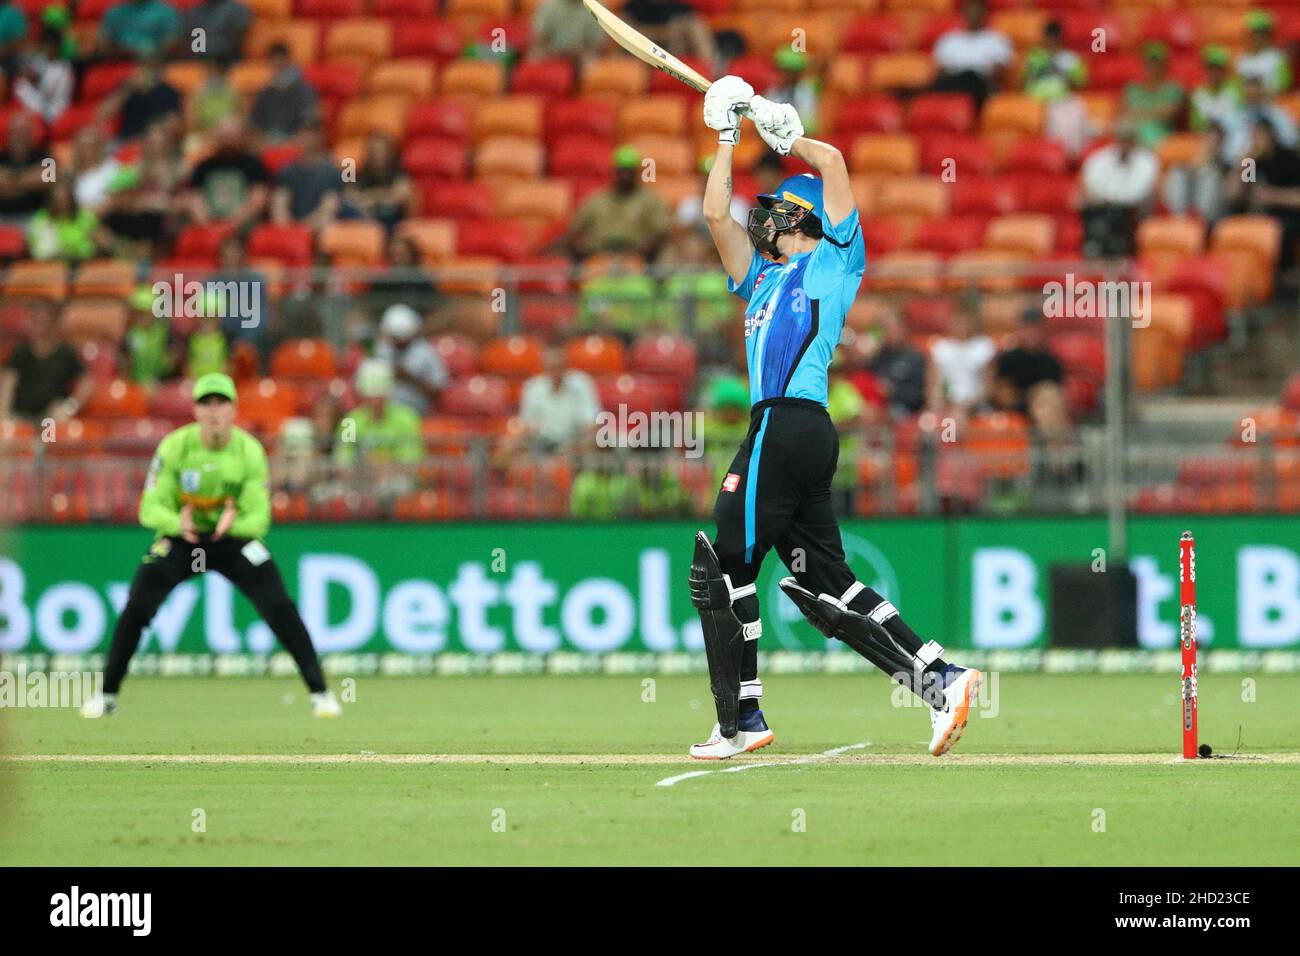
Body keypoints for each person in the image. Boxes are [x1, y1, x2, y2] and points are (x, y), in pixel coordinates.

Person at [688, 75, 982, 760]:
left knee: (726, 559)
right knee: (831, 579)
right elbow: (712, 214)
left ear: (803, 218)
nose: (761, 218)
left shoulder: (833, 262)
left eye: (776, 210)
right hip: (796, 431)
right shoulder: (761, 278)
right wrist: (726, 137)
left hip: (786, 423)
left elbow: (835, 166)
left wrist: (784, 130)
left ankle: (743, 718)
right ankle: (941, 677)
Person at [80, 373, 340, 719]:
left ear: (233, 409)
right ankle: (107, 695)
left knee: (280, 607)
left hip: (232, 542)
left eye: (221, 403)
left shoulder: (249, 450)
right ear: (195, 410)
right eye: (206, 403)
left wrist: (234, 525)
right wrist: (176, 524)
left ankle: (320, 694)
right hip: (183, 540)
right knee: (137, 608)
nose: (214, 411)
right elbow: (149, 508)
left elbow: (259, 518)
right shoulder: (175, 446)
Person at [565, 144, 671, 261]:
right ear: (614, 171)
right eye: (622, 170)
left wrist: (644, 251)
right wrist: (583, 248)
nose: (626, 175)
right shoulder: (596, 200)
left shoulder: (650, 201)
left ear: (637, 172)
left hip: (638, 261)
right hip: (599, 259)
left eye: (629, 171)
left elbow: (662, 233)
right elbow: (574, 232)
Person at [334, 358, 422, 498]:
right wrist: (368, 471)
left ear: (389, 392)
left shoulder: (407, 419)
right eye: (370, 393)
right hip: (358, 484)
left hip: (395, 485)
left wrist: (384, 470)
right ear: (361, 392)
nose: (375, 399)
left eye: (379, 394)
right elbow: (342, 461)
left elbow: (410, 462)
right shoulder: (350, 422)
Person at [0, 302, 93, 423]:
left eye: (45, 323)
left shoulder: (66, 353)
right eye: (36, 322)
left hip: (50, 419)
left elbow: (87, 382)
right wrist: (3, 415)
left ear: (54, 324)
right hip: (19, 417)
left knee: (53, 433)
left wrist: (69, 407)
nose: (41, 329)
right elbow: (8, 384)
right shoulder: (20, 352)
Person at [1080, 119, 1158, 256]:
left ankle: (1118, 251)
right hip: (1102, 209)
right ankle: (1095, 250)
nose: (1124, 145)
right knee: (1090, 209)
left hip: (1133, 211)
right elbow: (1091, 185)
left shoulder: (1148, 161)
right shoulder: (1099, 159)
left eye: (1128, 140)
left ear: (1135, 141)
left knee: (1121, 214)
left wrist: (1111, 199)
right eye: (1122, 139)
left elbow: (1138, 193)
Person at [992, 309, 1070, 442]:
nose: (1030, 334)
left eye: (1034, 329)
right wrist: (1032, 396)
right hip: (1019, 409)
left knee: (1047, 404)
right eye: (1027, 329)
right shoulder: (1009, 359)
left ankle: (1059, 454)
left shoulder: (1050, 361)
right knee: (1045, 403)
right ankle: (1064, 456)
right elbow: (1003, 396)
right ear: (1019, 330)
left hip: (1046, 410)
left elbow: (1059, 395)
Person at [184, 117, 271, 229]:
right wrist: (207, 225)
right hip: (209, 227)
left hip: (242, 227)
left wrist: (232, 225)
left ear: (242, 137)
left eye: (231, 135)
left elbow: (257, 200)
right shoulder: (203, 167)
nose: (226, 140)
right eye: (223, 135)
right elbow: (195, 200)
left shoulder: (254, 165)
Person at [516, 341, 601, 453]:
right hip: (542, 443)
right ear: (543, 366)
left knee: (594, 440)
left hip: (575, 443)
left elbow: (591, 422)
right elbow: (526, 423)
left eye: (558, 366)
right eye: (551, 367)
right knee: (513, 443)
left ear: (566, 365)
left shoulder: (582, 383)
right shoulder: (532, 387)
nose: (555, 371)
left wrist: (576, 442)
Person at [1022, 19, 1088, 156]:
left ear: (1060, 39)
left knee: (1073, 107)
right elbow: (1023, 81)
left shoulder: (1070, 59)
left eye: (1054, 38)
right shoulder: (1034, 57)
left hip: (1060, 99)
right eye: (1048, 38)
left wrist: (1063, 72)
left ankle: (1068, 152)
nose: (1051, 42)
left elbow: (1080, 83)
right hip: (1035, 99)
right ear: (1044, 38)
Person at [931, 0, 1011, 108]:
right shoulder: (949, 39)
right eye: (970, 10)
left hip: (980, 83)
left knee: (972, 78)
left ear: (984, 13)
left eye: (977, 10)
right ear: (963, 12)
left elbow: (998, 71)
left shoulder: (997, 40)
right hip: (954, 82)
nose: (973, 14)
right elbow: (942, 71)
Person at [373, 303, 447, 416]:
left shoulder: (426, 353)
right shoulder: (382, 349)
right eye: (394, 337)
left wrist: (409, 377)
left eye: (401, 338)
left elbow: (438, 392)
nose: (397, 342)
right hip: (384, 416)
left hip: (417, 414)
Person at [928, 303, 996, 420]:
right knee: (927, 422)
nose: (961, 325)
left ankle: (952, 435)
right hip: (947, 404)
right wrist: (938, 402)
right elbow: (934, 385)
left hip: (976, 405)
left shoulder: (984, 346)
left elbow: (988, 388)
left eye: (965, 321)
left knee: (957, 417)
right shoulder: (940, 347)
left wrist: (967, 404)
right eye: (957, 321)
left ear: (972, 322)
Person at [270, 122, 340, 231]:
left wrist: (302, 229)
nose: (307, 138)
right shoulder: (287, 171)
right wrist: (288, 229)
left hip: (317, 230)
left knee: (328, 227)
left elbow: (328, 210)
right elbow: (279, 205)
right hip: (290, 230)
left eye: (312, 133)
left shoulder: (331, 172)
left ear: (320, 137)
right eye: (303, 133)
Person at [98, 56, 182, 143]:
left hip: (154, 141)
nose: (146, 72)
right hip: (125, 140)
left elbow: (174, 121)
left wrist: (157, 128)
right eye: (143, 67)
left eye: (150, 67)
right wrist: (129, 88)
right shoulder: (126, 87)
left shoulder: (169, 91)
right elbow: (104, 113)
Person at [248, 42, 319, 143]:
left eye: (280, 61)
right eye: (273, 62)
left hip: (296, 141)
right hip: (267, 141)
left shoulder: (304, 90)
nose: (277, 65)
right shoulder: (265, 92)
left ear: (287, 60)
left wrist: (294, 139)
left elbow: (310, 119)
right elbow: (255, 122)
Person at [27, 178, 107, 261]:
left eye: (65, 199)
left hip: (86, 264)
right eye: (57, 201)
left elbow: (100, 243)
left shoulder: (85, 217)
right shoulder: (42, 220)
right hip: (52, 266)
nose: (62, 204)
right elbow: (41, 252)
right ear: (50, 201)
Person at [866, 311, 927, 418]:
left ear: (903, 329)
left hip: (904, 409)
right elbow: (865, 378)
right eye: (884, 329)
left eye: (891, 328)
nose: (887, 333)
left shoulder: (914, 357)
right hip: (876, 405)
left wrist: (893, 391)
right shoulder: (879, 356)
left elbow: (919, 395)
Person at [1122, 42, 1184, 148]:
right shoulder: (1133, 88)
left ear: (1165, 65)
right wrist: (1154, 112)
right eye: (1149, 63)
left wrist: (1139, 112)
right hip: (1133, 134)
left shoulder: (1174, 89)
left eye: (1157, 63)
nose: (1153, 67)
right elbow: (1123, 112)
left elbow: (1169, 114)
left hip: (1161, 136)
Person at [14, 25, 75, 123]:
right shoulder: (42, 61)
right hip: (43, 104)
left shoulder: (63, 68)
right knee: (20, 84)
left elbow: (46, 91)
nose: (47, 49)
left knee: (22, 86)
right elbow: (28, 71)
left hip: (55, 111)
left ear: (56, 47)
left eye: (50, 45)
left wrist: (34, 79)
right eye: (45, 45)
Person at [0, 111, 52, 224]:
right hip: (2, 216)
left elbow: (48, 181)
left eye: (23, 132)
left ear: (31, 134)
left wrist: (10, 180)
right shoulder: (1, 156)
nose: (19, 136)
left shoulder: (46, 155)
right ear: (8, 134)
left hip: (35, 216)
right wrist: (29, 180)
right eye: (15, 132)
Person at [98, 0, 181, 59]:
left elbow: (171, 44)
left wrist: (151, 52)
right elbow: (104, 45)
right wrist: (127, 52)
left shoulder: (167, 12)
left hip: (156, 61)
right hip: (120, 61)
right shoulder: (114, 13)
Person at [1190, 46, 1244, 135]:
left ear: (1225, 70)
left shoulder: (1235, 87)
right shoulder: (1198, 92)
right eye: (1211, 68)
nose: (1214, 72)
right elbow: (1196, 124)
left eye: (1218, 68)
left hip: (1232, 133)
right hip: (1207, 135)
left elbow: (1239, 115)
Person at [530, 0, 608, 61]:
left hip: (582, 57)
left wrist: (578, 52)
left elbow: (597, 44)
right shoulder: (548, 6)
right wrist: (555, 51)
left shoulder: (597, 9)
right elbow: (539, 38)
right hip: (550, 53)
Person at [1237, 9, 1291, 94]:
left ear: (1269, 35)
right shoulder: (1242, 60)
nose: (1257, 37)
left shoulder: (1278, 58)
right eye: (1254, 33)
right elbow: (1238, 89)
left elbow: (1284, 87)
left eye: (1262, 33)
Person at [182, 0, 251, 63]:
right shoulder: (194, 12)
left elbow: (237, 39)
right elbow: (192, 41)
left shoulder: (237, 10)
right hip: (200, 60)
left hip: (229, 61)